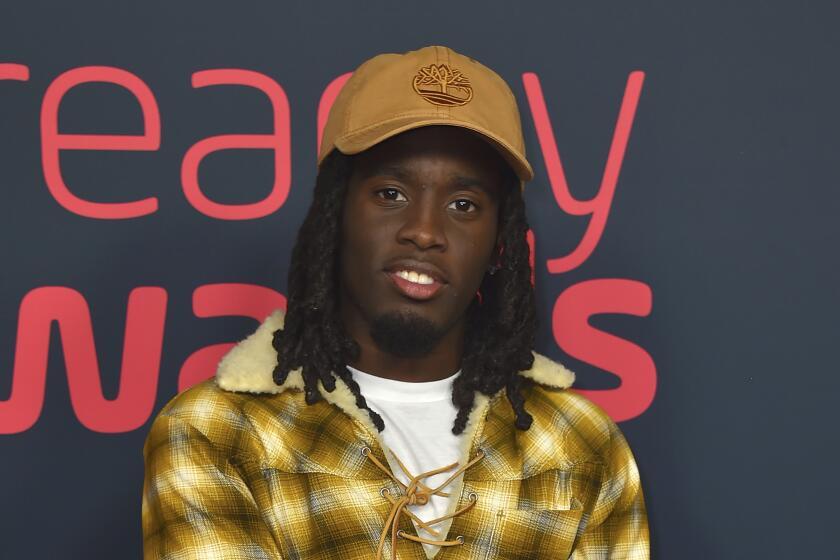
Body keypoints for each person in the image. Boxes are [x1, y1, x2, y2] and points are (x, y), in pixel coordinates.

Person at [142, 45, 649, 559]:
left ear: (499, 244)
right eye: (391, 194)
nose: (425, 231)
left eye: (463, 205)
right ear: (335, 215)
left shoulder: (580, 443)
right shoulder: (216, 432)